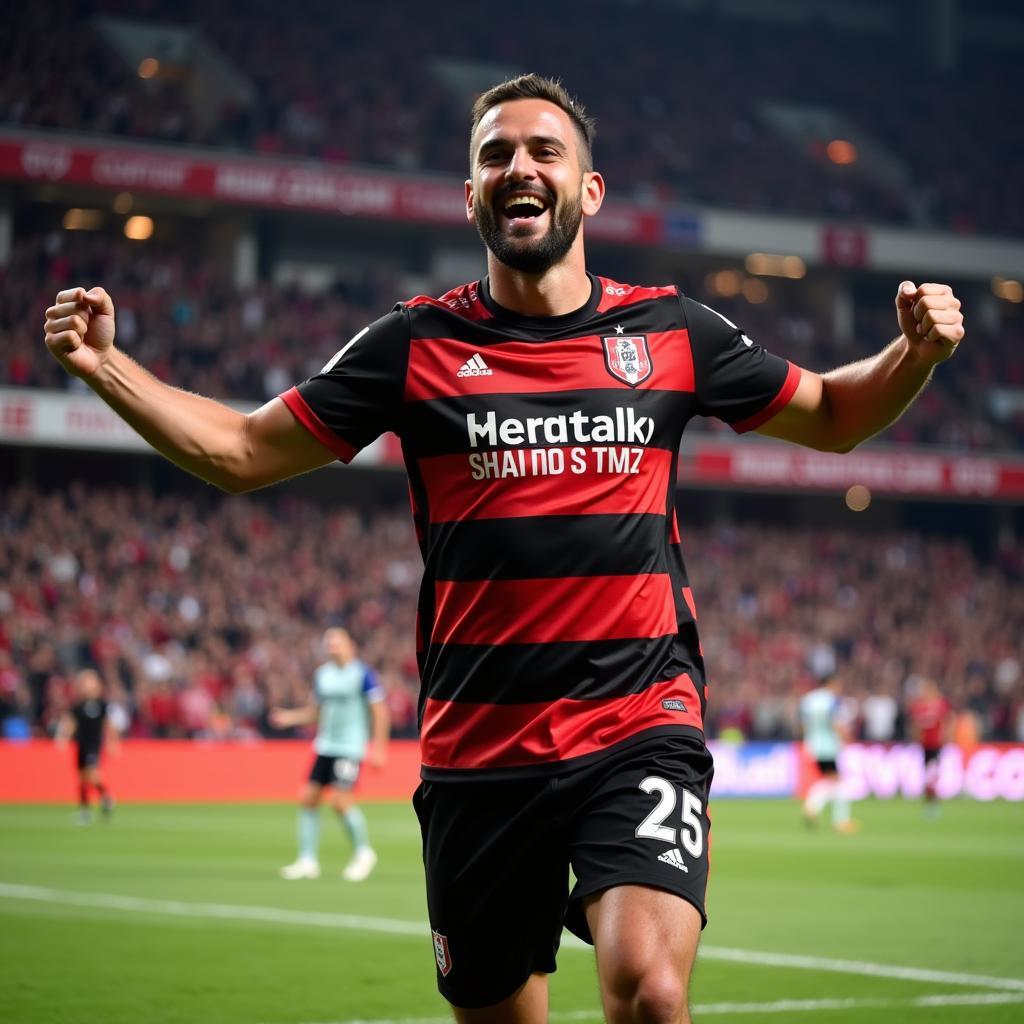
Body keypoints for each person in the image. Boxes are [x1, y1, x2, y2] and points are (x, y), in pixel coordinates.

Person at [43, 73, 965, 1024]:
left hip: (637, 721)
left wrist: (915, 357)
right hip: (479, 753)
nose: (519, 167)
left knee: (651, 993)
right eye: (496, 156)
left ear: (589, 190)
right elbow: (239, 452)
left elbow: (836, 415)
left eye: (544, 151)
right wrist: (106, 367)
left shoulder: (672, 333)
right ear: (471, 195)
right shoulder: (414, 343)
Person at [271, 627, 389, 881]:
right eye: (330, 643)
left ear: (350, 646)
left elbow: (380, 712)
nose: (333, 647)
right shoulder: (322, 675)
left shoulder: (362, 674)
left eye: (338, 642)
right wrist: (290, 717)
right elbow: (316, 712)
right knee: (308, 798)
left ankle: (364, 852)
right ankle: (307, 860)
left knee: (339, 801)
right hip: (326, 745)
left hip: (350, 747)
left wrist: (378, 748)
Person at [55, 669, 118, 824]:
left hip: (94, 745)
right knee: (82, 778)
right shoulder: (78, 707)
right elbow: (70, 724)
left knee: (91, 773)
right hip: (81, 745)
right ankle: (91, 807)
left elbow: (109, 725)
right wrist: (64, 738)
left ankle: (104, 798)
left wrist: (112, 742)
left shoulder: (102, 706)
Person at [799, 674, 858, 834]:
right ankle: (838, 820)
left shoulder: (808, 700)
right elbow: (836, 722)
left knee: (832, 780)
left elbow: (802, 725)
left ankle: (814, 808)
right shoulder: (833, 700)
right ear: (830, 683)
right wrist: (846, 737)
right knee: (836, 781)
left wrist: (809, 739)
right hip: (829, 744)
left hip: (813, 744)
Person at [907, 676, 952, 818]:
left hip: (936, 745)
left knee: (933, 774)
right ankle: (929, 802)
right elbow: (915, 724)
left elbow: (948, 721)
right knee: (927, 774)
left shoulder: (941, 704)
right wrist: (915, 738)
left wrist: (946, 736)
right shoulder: (919, 705)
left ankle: (933, 803)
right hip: (924, 745)